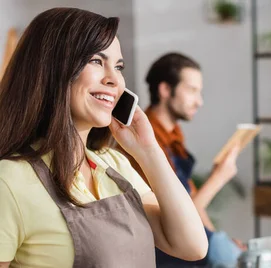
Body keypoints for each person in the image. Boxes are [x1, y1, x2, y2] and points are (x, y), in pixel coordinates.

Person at [0, 8, 209, 268]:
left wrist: (148, 150)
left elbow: (192, 246)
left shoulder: (114, 165)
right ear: (51, 69)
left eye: (118, 67)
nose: (114, 80)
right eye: (97, 61)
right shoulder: (8, 181)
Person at [118, 52, 246, 268]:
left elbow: (192, 199)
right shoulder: (143, 142)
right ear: (166, 89)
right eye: (192, 90)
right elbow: (180, 216)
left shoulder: (174, 136)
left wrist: (217, 241)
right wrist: (219, 177)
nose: (199, 101)